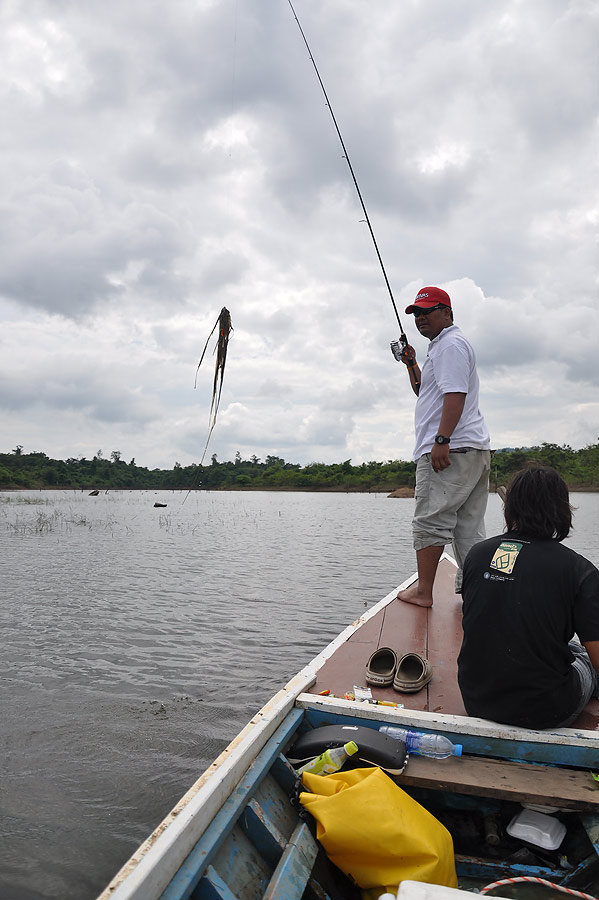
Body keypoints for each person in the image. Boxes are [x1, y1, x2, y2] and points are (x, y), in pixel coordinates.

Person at [458, 466, 599, 730]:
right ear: (562, 509)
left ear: (510, 508)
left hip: (477, 700)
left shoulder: (477, 555)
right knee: (584, 658)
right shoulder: (580, 570)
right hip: (547, 711)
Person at [396, 286, 491, 607]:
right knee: (468, 528)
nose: (421, 318)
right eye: (416, 314)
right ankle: (481, 593)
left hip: (451, 450)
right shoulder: (443, 347)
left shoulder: (450, 345)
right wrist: (410, 363)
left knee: (430, 521)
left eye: (428, 311)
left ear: (447, 313)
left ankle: (424, 592)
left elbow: (456, 394)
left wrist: (441, 440)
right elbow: (426, 391)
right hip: (472, 449)